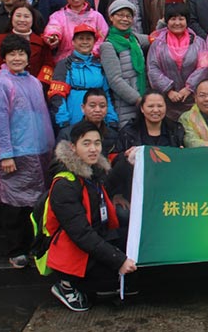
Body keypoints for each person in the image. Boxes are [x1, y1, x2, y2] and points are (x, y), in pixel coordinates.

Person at [47, 121, 136, 312]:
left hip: (97, 235)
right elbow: (82, 234)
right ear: (73, 147)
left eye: (97, 143)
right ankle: (66, 283)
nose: (93, 149)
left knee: (135, 263)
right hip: (74, 247)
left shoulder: (93, 171)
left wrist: (127, 161)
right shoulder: (65, 184)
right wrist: (118, 260)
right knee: (120, 279)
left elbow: (109, 185)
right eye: (86, 143)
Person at [0, 34, 55, 269]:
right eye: (12, 54)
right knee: (14, 204)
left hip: (38, 152)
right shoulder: (0, 85)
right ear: (4, 57)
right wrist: (5, 154)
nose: (17, 58)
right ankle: (16, 250)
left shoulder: (34, 82)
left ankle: (35, 247)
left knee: (35, 204)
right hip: (15, 154)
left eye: (21, 53)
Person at [107, 90, 185, 224]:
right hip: (135, 192)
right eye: (150, 106)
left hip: (169, 190)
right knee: (124, 213)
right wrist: (117, 194)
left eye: (160, 106)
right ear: (142, 109)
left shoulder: (176, 130)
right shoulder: (128, 132)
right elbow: (114, 164)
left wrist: (182, 155)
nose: (156, 110)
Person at [147, 3, 208, 120]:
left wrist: (189, 88)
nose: (177, 23)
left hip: (193, 99)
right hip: (166, 101)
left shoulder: (199, 42)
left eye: (181, 19)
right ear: (167, 21)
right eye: (173, 19)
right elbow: (153, 68)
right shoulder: (157, 44)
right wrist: (168, 90)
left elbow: (204, 67)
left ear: (187, 21)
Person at [50, 24, 118, 131]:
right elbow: (57, 95)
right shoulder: (64, 65)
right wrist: (63, 122)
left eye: (88, 39)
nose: (85, 42)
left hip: (99, 122)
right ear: (73, 42)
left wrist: (112, 119)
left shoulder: (100, 65)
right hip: (73, 122)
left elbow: (107, 95)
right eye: (81, 38)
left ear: (94, 42)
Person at [0, 0, 55, 81]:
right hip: (4, 85)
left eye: (26, 16)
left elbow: (48, 67)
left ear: (33, 19)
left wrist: (38, 84)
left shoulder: (41, 42)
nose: (22, 20)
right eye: (18, 16)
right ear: (11, 17)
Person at [99, 0, 150, 126]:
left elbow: (154, 38)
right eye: (120, 15)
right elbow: (115, 80)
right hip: (125, 104)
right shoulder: (108, 45)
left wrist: (164, 23)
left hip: (144, 98)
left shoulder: (134, 39)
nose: (125, 19)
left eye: (128, 16)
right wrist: (138, 99)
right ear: (111, 17)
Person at [43, 0, 109, 62]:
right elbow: (53, 28)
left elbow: (103, 37)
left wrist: (90, 52)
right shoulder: (58, 16)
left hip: (92, 61)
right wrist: (53, 37)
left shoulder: (96, 16)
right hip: (66, 61)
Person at [56, 89, 120, 159]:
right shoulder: (67, 134)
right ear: (83, 108)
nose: (97, 110)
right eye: (92, 106)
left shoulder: (113, 136)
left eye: (102, 106)